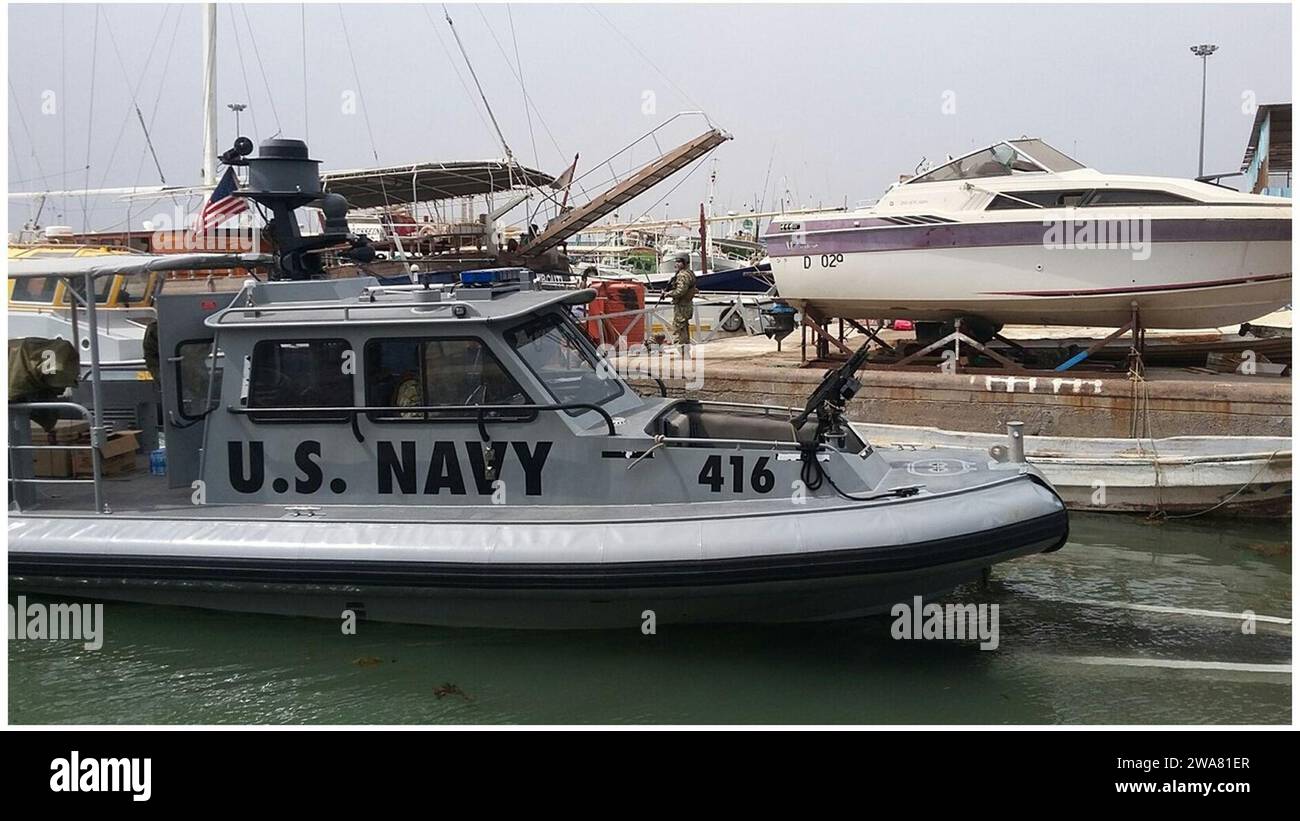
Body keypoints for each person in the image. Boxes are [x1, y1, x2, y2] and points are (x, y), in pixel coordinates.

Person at [664, 251, 698, 347]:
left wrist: (668, 294)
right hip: (686, 305)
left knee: (679, 329)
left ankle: (681, 350)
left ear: (685, 262)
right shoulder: (689, 273)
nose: (677, 264)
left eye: (679, 262)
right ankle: (685, 350)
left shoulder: (682, 275)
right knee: (684, 329)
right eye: (676, 262)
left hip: (682, 306)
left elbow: (680, 291)